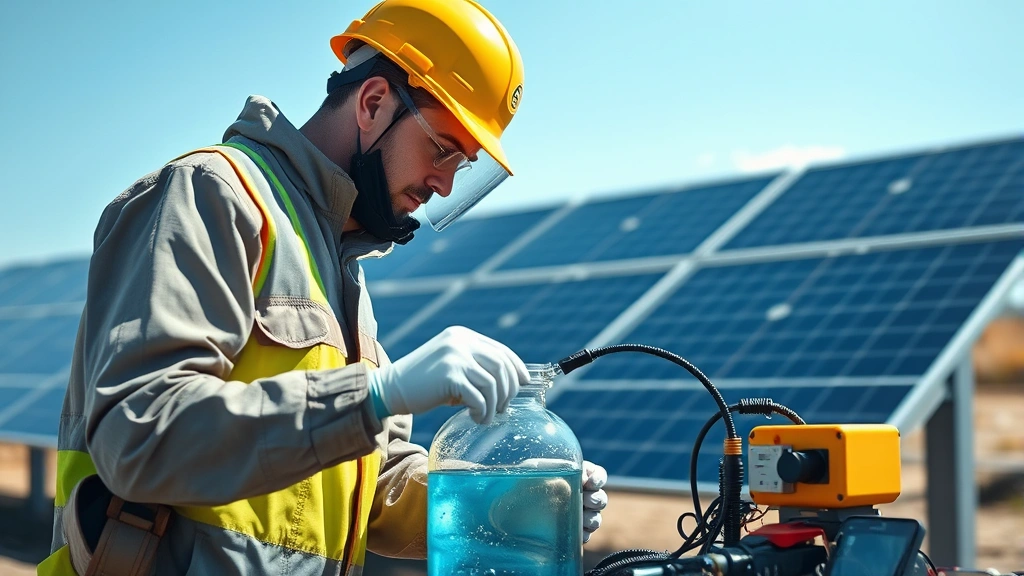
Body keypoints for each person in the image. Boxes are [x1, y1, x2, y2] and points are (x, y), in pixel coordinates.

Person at [38, 1, 608, 575]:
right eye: (442, 149)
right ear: (373, 102)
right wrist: (375, 395)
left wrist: (510, 504)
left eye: (463, 166)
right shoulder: (212, 197)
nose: (442, 183)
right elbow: (140, 438)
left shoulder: (338, 265)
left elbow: (368, 484)